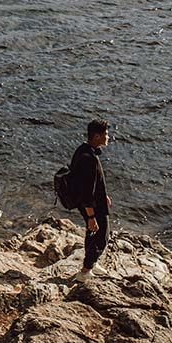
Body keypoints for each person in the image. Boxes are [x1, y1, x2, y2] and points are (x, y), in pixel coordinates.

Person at [71, 119, 112, 282]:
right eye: (106, 134)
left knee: (92, 233)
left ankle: (91, 263)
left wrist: (104, 196)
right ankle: (85, 271)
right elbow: (87, 191)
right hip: (92, 206)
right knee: (102, 235)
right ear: (96, 136)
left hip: (91, 202)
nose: (108, 137)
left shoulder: (83, 150)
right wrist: (91, 217)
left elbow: (91, 183)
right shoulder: (90, 159)